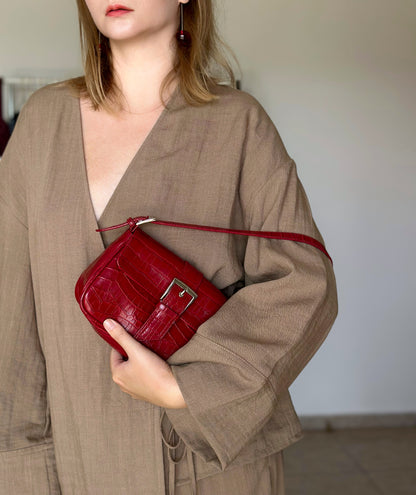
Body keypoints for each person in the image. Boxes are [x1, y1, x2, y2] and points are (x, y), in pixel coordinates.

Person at [0, 0, 338, 493]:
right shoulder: (41, 124)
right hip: (74, 463)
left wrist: (190, 388)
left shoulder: (238, 123)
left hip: (204, 465)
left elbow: (304, 281)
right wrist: (19, 464)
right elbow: (11, 313)